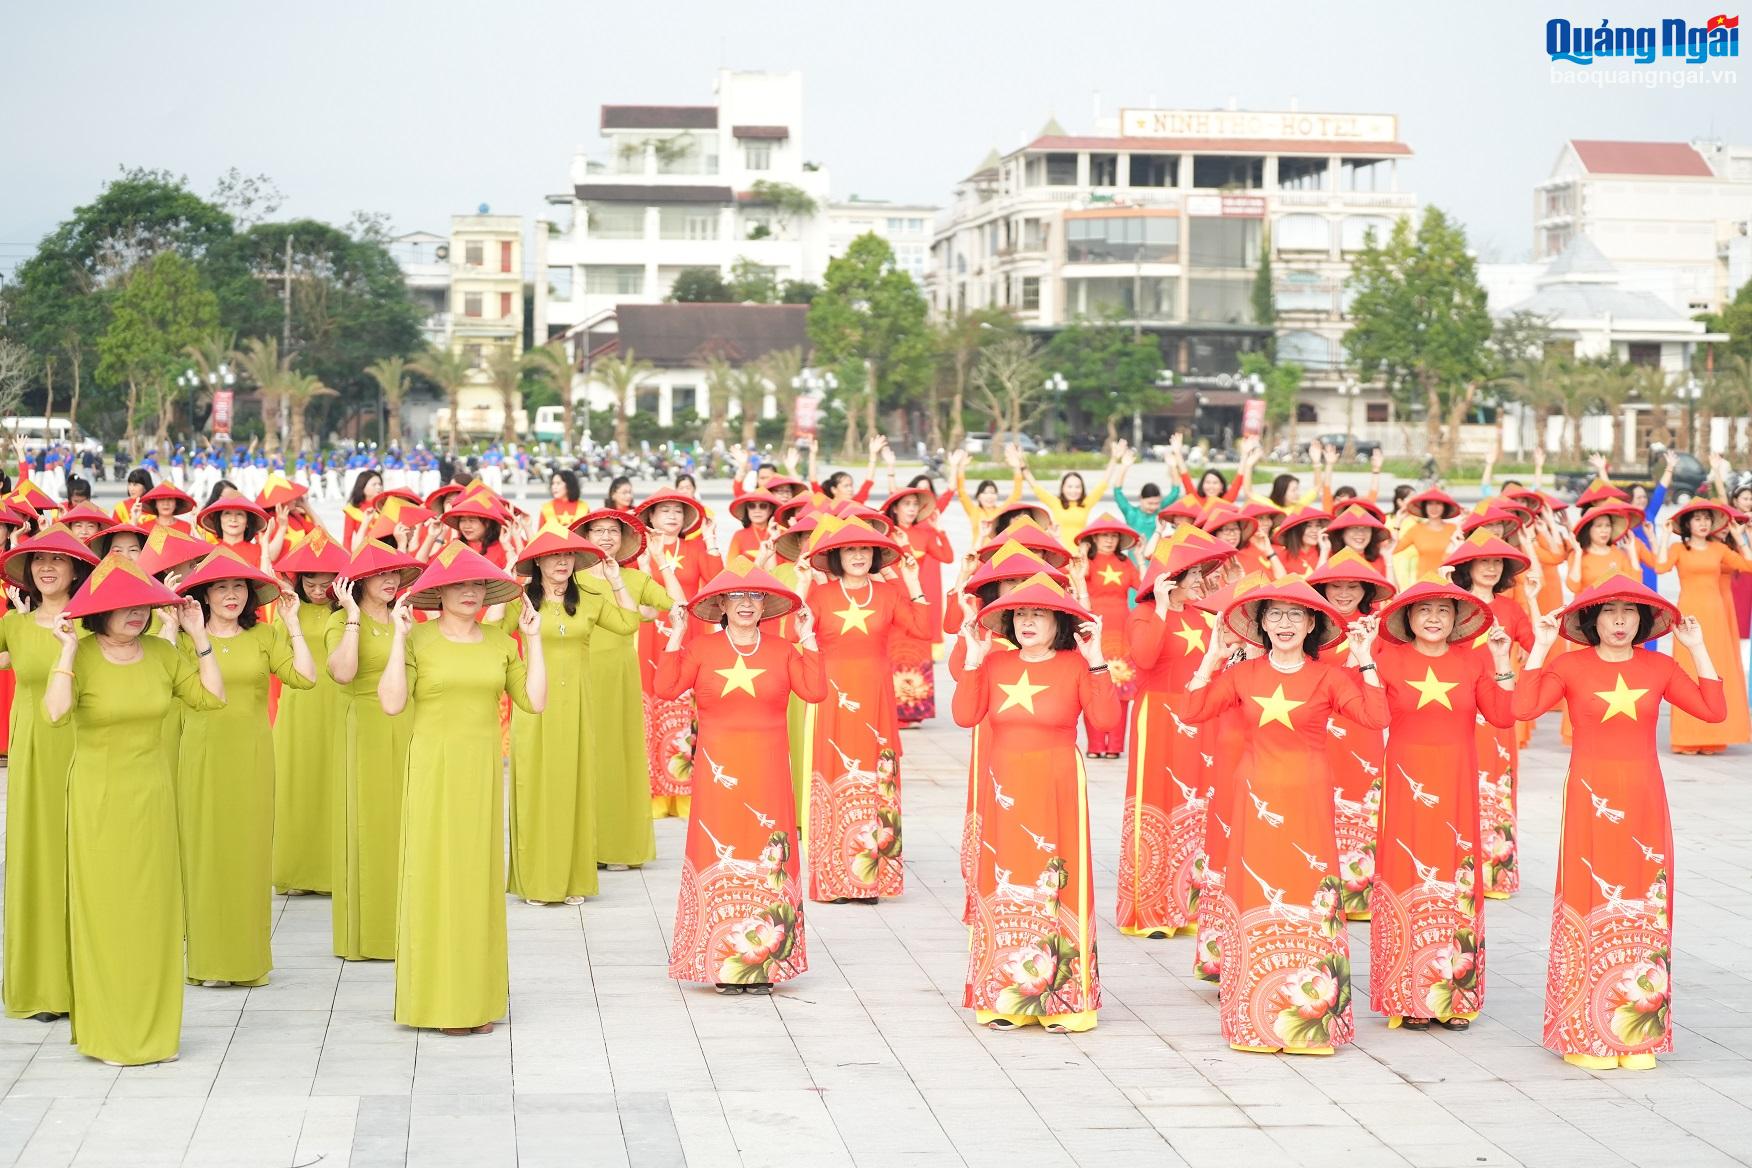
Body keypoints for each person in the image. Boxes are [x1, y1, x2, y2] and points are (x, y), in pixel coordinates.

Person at [1513, 577, 1724, 1069]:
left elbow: (1715, 712)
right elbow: (1520, 710)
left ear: (1644, 622)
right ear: (1592, 620)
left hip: (1645, 801)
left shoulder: (1660, 666)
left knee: (1643, 904)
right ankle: (1585, 1033)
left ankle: (1637, 1033)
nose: (1621, 621)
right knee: (1589, 903)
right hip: (1590, 800)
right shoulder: (1570, 666)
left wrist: (1697, 647)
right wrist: (1541, 646)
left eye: (1630, 612)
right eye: (1609, 611)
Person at [1181, 580, 1387, 1054]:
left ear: (1313, 624)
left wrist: (1367, 657)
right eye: (1275, 615)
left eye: (1296, 616)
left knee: (1308, 897)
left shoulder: (1328, 676)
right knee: (1256, 893)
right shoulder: (1244, 675)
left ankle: (1309, 1021)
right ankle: (1255, 1018)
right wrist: (1212, 657)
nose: (1285, 624)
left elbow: (1376, 718)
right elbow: (1192, 711)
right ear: (1261, 624)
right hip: (1254, 803)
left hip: (1308, 802)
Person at [46, 553, 225, 1065]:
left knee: (152, 913)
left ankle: (154, 1032)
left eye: (144, 606)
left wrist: (197, 635)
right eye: (124, 607)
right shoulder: (79, 653)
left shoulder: (163, 655)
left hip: (152, 798)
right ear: (98, 611)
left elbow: (213, 699)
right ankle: (109, 1033)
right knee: (106, 913)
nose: (137, 614)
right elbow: (56, 713)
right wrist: (64, 653)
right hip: (97, 801)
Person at [379, 542, 546, 1035]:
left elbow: (534, 701)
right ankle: (437, 1002)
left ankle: (475, 1000)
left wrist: (533, 641)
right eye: (460, 585)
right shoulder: (418, 640)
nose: (470, 593)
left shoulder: (501, 642)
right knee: (435, 879)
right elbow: (391, 702)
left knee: (475, 881)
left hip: (480, 772)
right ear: (439, 592)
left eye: (478, 585)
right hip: (433, 769)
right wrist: (395, 639)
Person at [953, 572, 1119, 1032]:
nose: (1027, 622)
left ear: (1059, 621)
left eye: (1039, 614)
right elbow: (965, 715)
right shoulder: (996, 664)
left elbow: (1106, 720)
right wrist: (973, 658)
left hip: (1058, 784)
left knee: (1058, 881)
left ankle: (1066, 1000)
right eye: (1021, 613)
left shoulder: (1075, 665)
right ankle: (1005, 997)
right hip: (1004, 785)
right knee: (1007, 880)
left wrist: (1098, 658)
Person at [657, 560, 826, 993]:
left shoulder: (784, 650)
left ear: (766, 604)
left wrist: (808, 636)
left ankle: (767, 963)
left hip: (769, 772)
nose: (746, 604)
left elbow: (816, 691)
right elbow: (665, 687)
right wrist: (676, 634)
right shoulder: (701, 649)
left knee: (768, 855)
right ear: (720, 605)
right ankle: (722, 962)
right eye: (736, 597)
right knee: (720, 852)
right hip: (719, 778)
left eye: (754, 596)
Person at [1369, 579, 1516, 1032]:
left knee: (1457, 876)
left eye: (1444, 611)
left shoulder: (1473, 660)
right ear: (1407, 618)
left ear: (1456, 621)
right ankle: (1407, 994)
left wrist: (1503, 660)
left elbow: (1504, 715)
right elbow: (1373, 716)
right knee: (1406, 872)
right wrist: (1360, 665)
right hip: (1405, 783)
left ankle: (1456, 994)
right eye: (1424, 610)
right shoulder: (1386, 658)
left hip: (1455, 787)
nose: (1434, 618)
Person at [171, 548, 315, 987]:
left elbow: (306, 677)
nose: (231, 595)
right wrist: (186, 629)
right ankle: (208, 963)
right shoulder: (181, 641)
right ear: (204, 594)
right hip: (200, 755)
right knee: (204, 854)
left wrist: (292, 626)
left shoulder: (264, 637)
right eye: (220, 586)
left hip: (252, 756)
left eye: (238, 586)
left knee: (249, 857)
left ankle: (247, 962)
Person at [502, 526, 640, 905]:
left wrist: (615, 581)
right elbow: (493, 634)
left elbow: (629, 624)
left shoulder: (591, 600)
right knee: (537, 790)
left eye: (568, 557)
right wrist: (501, 590)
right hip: (535, 705)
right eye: (553, 556)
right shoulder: (521, 602)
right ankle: (537, 882)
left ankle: (572, 881)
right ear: (537, 563)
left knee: (574, 788)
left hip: (578, 706)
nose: (562, 562)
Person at [801, 516, 930, 902]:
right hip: (833, 699)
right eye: (849, 549)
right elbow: (795, 632)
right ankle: (834, 880)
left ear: (875, 555)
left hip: (875, 700)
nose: (858, 556)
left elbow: (923, 629)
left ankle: (870, 877)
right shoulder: (822, 597)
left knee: (875, 779)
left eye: (864, 549)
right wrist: (801, 582)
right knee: (835, 775)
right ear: (837, 556)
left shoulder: (888, 594)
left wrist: (913, 581)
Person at [1115, 527, 1233, 938]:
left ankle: (1191, 904)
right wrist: (1162, 607)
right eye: (1194, 574)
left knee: (1198, 802)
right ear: (1169, 580)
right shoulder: (1144, 616)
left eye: (1202, 574)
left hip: (1200, 717)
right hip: (1160, 717)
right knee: (1158, 800)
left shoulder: (1206, 617)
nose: (1201, 582)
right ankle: (1149, 910)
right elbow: (1144, 660)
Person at [0, 526, 98, 1021]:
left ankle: (90, 979)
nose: (47, 568)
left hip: (84, 745)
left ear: (77, 569)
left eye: (58, 561)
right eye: (38, 561)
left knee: (85, 857)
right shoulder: (14, 628)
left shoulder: (91, 623)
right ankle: (42, 985)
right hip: (35, 753)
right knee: (39, 857)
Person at [325, 540, 423, 960]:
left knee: (406, 826)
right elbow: (343, 673)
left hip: (409, 725)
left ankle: (407, 927)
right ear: (359, 582)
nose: (389, 580)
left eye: (394, 573)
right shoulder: (343, 623)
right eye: (380, 574)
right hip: (365, 727)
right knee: (371, 825)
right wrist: (350, 618)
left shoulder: (407, 620)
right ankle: (371, 934)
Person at [573, 509, 678, 869]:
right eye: (597, 531)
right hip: (578, 675)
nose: (605, 537)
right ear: (585, 538)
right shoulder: (569, 579)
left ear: (623, 539)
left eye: (612, 532)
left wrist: (662, 561)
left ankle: (618, 846)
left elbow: (677, 605)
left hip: (619, 678)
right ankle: (582, 846)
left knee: (617, 756)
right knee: (582, 757)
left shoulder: (633, 579)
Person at [1446, 533, 1536, 899]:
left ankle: (1495, 873)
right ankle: (1457, 868)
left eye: (1497, 563)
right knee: (1457, 785)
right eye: (1483, 561)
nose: (1490, 567)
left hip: (1497, 708)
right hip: (1458, 706)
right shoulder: (1451, 606)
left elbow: (1537, 645)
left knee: (1497, 788)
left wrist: (1532, 597)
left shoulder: (1512, 609)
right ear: (1467, 566)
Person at [1307, 550, 1396, 920]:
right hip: (1316, 728)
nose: (1344, 593)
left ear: (1366, 590)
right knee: (1318, 801)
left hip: (1361, 726)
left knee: (1360, 805)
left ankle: (1359, 894)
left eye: (1353, 586)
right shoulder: (1310, 624)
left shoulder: (1378, 629)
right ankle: (1318, 886)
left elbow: (1387, 678)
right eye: (1337, 585)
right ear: (1323, 587)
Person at [271, 528, 348, 897]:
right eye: (311, 583)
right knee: (299, 780)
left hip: (338, 698)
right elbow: (275, 653)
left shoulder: (349, 611)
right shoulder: (287, 610)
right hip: (300, 701)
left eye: (326, 583)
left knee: (335, 779)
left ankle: (334, 870)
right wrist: (292, 619)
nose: (319, 590)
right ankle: (296, 869)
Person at [1650, 500, 1751, 754]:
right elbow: (1660, 567)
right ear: (1687, 524)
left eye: (1707, 518)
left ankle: (1714, 736)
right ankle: (1687, 737)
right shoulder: (1678, 549)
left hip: (1715, 616)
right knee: (1688, 672)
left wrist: (1740, 538)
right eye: (1698, 519)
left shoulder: (1718, 549)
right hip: (1688, 615)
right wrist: (1662, 536)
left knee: (1714, 672)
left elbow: (1748, 565)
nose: (1703, 523)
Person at [881, 484, 953, 727]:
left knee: (915, 655)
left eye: (915, 505)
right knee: (895, 655)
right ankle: (894, 711)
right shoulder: (885, 535)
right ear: (895, 508)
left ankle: (912, 709)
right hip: (893, 603)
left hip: (916, 601)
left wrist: (939, 531)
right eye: (907, 504)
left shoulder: (925, 534)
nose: (911, 509)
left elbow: (948, 557)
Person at [1074, 516, 1141, 758]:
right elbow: (1075, 584)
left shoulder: (1125, 563)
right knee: (1094, 685)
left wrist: (1141, 558)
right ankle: (1094, 744)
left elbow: (1143, 588)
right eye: (1104, 535)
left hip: (1122, 632)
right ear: (1094, 538)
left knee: (1120, 684)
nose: (1109, 540)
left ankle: (1115, 745)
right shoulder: (1087, 563)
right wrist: (1081, 556)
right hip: (1093, 629)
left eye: (1113, 536)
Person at [1014, 446, 1114, 544]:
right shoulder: (1056, 503)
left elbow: (1103, 484)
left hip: (1080, 555)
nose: (1073, 490)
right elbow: (1035, 486)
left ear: (1082, 489)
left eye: (1077, 487)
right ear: (1063, 488)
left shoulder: (1086, 503)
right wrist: (1022, 465)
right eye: (1069, 487)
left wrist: (1114, 458)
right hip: (1061, 554)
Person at [1392, 489, 1462, 581]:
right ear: (1424, 506)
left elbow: (1463, 555)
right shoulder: (1416, 529)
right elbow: (1393, 549)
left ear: (1444, 507)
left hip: (1449, 582)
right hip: (1424, 583)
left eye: (1438, 503)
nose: (1434, 507)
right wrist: (1398, 522)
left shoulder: (1454, 529)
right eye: (1430, 504)